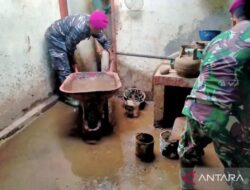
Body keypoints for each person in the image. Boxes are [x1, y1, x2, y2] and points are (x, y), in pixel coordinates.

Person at [178, 0, 250, 189]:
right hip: (230, 120)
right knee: (239, 174)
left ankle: (187, 186)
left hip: (196, 108)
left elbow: (204, 73)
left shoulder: (217, 41)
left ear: (233, 19)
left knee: (187, 153)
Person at [45, 10, 114, 107]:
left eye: (100, 29)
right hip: (55, 36)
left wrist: (110, 53)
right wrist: (74, 64)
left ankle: (68, 85)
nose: (99, 31)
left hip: (65, 35)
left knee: (69, 66)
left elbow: (102, 38)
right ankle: (67, 96)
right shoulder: (79, 29)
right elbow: (70, 48)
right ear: (92, 25)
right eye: (98, 29)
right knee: (63, 67)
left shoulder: (94, 23)